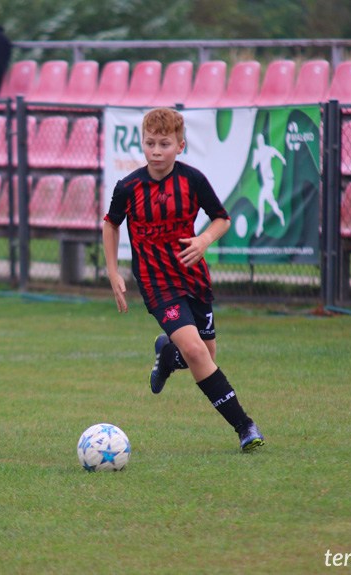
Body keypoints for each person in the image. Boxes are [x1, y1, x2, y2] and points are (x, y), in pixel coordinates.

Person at [102, 107, 265, 453]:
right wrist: (113, 270)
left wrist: (204, 240)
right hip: (155, 282)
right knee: (195, 350)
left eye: (164, 143)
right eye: (149, 143)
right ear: (142, 145)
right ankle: (244, 426)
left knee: (205, 353)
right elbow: (111, 224)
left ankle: (166, 355)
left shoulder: (192, 180)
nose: (156, 151)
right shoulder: (128, 187)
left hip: (192, 277)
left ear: (181, 145)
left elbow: (221, 218)